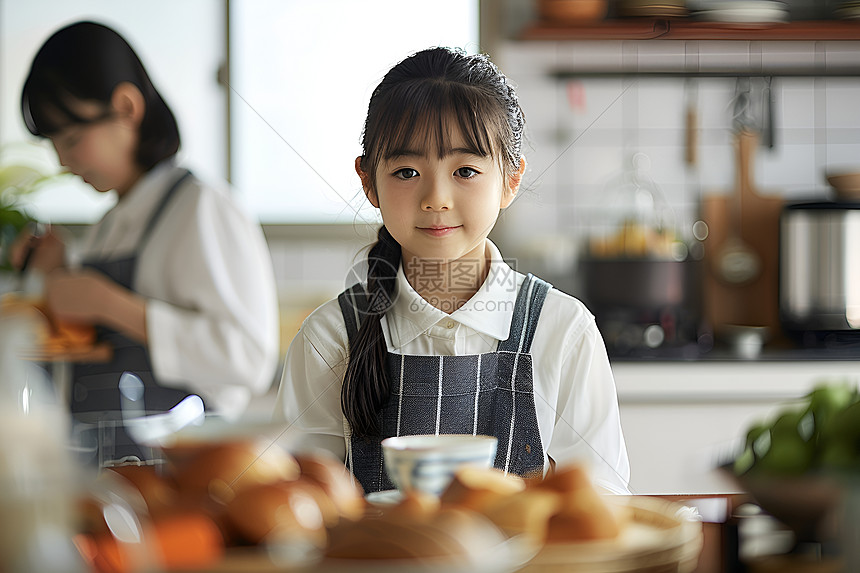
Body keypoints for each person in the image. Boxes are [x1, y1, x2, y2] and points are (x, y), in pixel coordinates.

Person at [275, 47, 630, 494]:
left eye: (465, 170)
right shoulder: (329, 338)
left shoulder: (562, 329)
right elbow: (300, 501)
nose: (436, 198)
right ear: (369, 182)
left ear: (511, 179)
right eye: (406, 171)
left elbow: (600, 500)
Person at [14, 21, 280, 458]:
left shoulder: (201, 206)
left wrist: (107, 303)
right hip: (107, 481)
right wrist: (55, 274)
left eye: (74, 138)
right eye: (55, 145)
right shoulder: (106, 227)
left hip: (180, 481)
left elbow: (249, 360)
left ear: (126, 107)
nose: (63, 160)